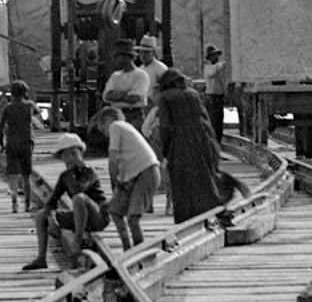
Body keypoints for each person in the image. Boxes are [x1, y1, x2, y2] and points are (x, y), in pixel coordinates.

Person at [154, 70, 233, 222]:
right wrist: (212, 144)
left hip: (180, 141)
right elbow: (206, 119)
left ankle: (186, 217)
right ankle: (218, 209)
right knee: (205, 176)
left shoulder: (165, 97)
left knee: (181, 180)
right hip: (202, 137)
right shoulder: (193, 93)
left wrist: (165, 150)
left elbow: (165, 126)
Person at [23, 134, 108, 271]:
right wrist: (50, 216)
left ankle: (77, 241)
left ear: (74, 153)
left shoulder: (89, 171)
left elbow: (79, 189)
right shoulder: (65, 176)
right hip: (79, 216)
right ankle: (41, 258)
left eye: (65, 154)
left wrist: (75, 169)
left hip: (98, 216)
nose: (63, 159)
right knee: (40, 216)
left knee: (79, 198)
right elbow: (53, 199)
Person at [95, 104, 160, 249]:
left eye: (103, 129)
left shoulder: (116, 126)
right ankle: (127, 248)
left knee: (133, 219)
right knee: (115, 211)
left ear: (108, 120)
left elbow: (113, 159)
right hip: (138, 174)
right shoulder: (126, 130)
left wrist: (113, 183)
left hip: (146, 171)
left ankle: (138, 251)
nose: (105, 134)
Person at [0, 80, 37, 211]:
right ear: (25, 92)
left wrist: (1, 143)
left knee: (13, 175)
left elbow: (0, 128)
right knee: (27, 175)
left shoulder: (7, 108)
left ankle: (14, 203)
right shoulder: (29, 105)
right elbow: (37, 112)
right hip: (27, 142)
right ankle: (27, 204)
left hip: (12, 143)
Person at [101, 44, 151, 126]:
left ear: (127, 57)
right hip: (116, 115)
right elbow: (106, 96)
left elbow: (136, 98)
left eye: (117, 56)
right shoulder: (115, 76)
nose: (115, 59)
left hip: (134, 116)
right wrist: (126, 93)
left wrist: (117, 96)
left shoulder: (141, 75)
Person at [201, 44, 228, 139]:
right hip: (212, 98)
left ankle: (217, 143)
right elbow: (213, 71)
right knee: (213, 124)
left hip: (219, 98)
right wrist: (224, 64)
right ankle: (211, 144)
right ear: (210, 57)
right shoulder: (208, 68)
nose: (216, 57)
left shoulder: (218, 68)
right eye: (214, 55)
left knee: (218, 124)